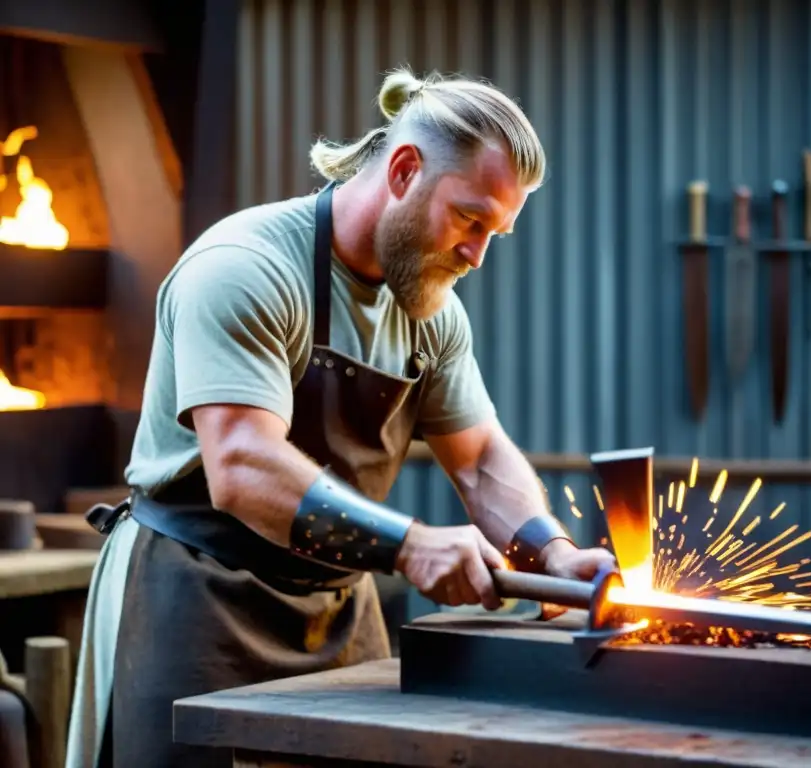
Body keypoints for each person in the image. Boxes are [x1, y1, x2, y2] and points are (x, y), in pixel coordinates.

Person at [64, 67, 617, 768]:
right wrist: (413, 545)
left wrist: (554, 554)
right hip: (195, 599)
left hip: (336, 610)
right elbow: (239, 465)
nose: (476, 255)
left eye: (495, 234)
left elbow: (478, 461)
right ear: (405, 170)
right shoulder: (247, 266)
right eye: (470, 220)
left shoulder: (432, 312)